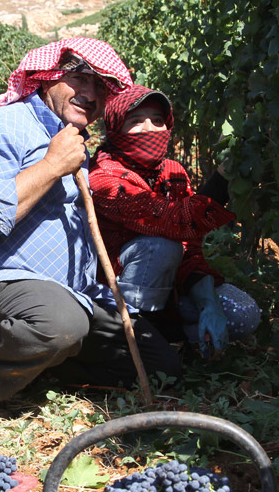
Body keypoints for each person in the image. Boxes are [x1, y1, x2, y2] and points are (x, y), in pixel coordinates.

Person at [0, 39, 182, 417]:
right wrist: (52, 166)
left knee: (160, 366)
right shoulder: (4, 126)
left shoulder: (70, 137)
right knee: (60, 322)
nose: (89, 93)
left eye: (101, 86)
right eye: (78, 79)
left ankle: (34, 367)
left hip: (74, 296)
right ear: (47, 77)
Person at [88, 84, 260, 358]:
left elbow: (189, 244)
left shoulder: (172, 171)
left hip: (170, 289)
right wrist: (222, 178)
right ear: (115, 130)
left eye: (157, 120)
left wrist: (208, 304)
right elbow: (171, 221)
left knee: (244, 313)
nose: (150, 128)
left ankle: (166, 334)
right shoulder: (104, 177)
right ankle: (130, 339)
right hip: (115, 295)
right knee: (161, 247)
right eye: (136, 121)